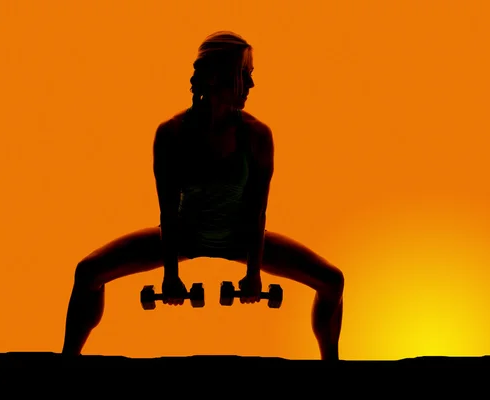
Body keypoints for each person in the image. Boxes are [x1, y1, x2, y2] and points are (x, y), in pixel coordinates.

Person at [61, 31, 344, 360]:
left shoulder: (256, 135)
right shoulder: (171, 134)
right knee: (88, 273)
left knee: (331, 281)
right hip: (182, 235)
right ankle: (67, 361)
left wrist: (253, 273)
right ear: (218, 77)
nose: (251, 86)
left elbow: (257, 211)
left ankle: (331, 363)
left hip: (240, 236)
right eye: (244, 75)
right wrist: (170, 275)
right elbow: (167, 211)